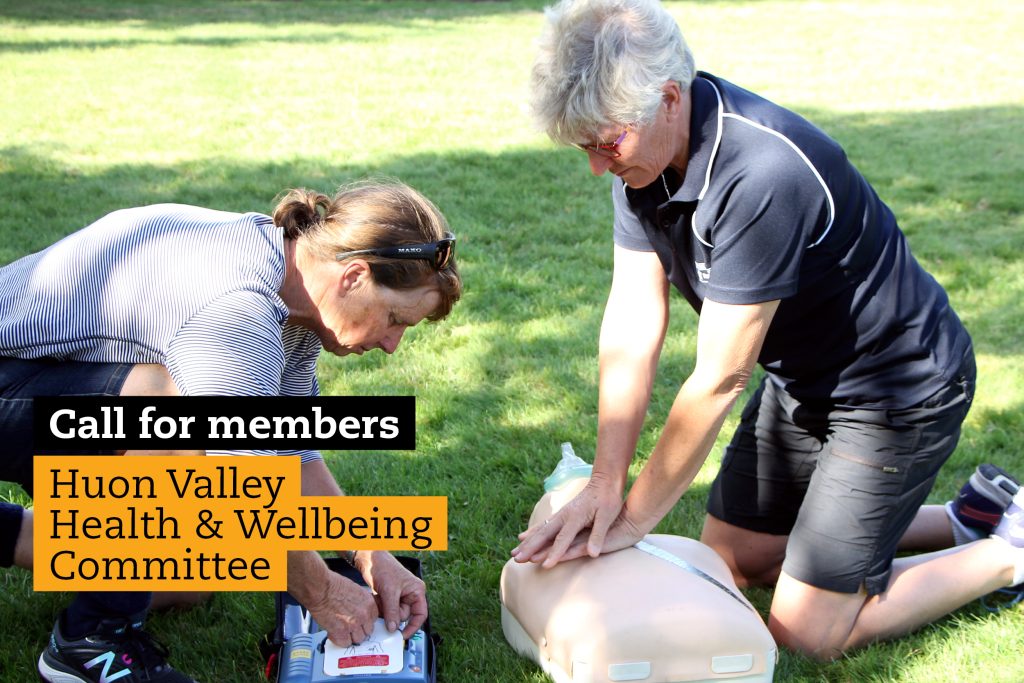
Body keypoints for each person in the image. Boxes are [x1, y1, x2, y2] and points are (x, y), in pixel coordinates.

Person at [512, 0, 1024, 661]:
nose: (596, 166)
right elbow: (633, 323)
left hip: (898, 389)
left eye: (605, 144)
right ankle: (969, 516)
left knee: (804, 633)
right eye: (585, 147)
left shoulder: (761, 174)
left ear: (669, 98)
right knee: (732, 560)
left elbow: (721, 377)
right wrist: (608, 483)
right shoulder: (640, 155)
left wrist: (634, 518)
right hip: (802, 378)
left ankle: (1007, 552)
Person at [0, 179, 462, 683]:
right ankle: (90, 644)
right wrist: (324, 591)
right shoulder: (239, 309)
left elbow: (290, 451)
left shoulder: (296, 290)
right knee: (168, 408)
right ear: (352, 276)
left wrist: (367, 552)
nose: (392, 344)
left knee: (190, 577)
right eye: (395, 319)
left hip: (40, 388)